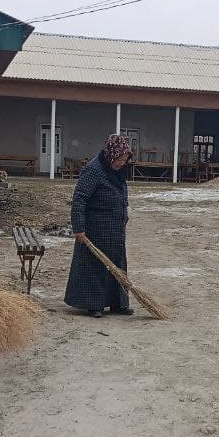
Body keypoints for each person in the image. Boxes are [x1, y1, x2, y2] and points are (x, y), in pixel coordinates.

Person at [66, 135, 133, 317]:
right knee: (95, 266)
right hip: (96, 229)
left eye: (124, 160)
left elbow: (120, 193)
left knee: (116, 265)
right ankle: (94, 304)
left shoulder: (117, 171)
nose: (122, 163)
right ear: (111, 155)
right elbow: (79, 199)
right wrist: (79, 229)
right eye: (119, 159)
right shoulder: (94, 170)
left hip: (115, 229)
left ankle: (118, 303)